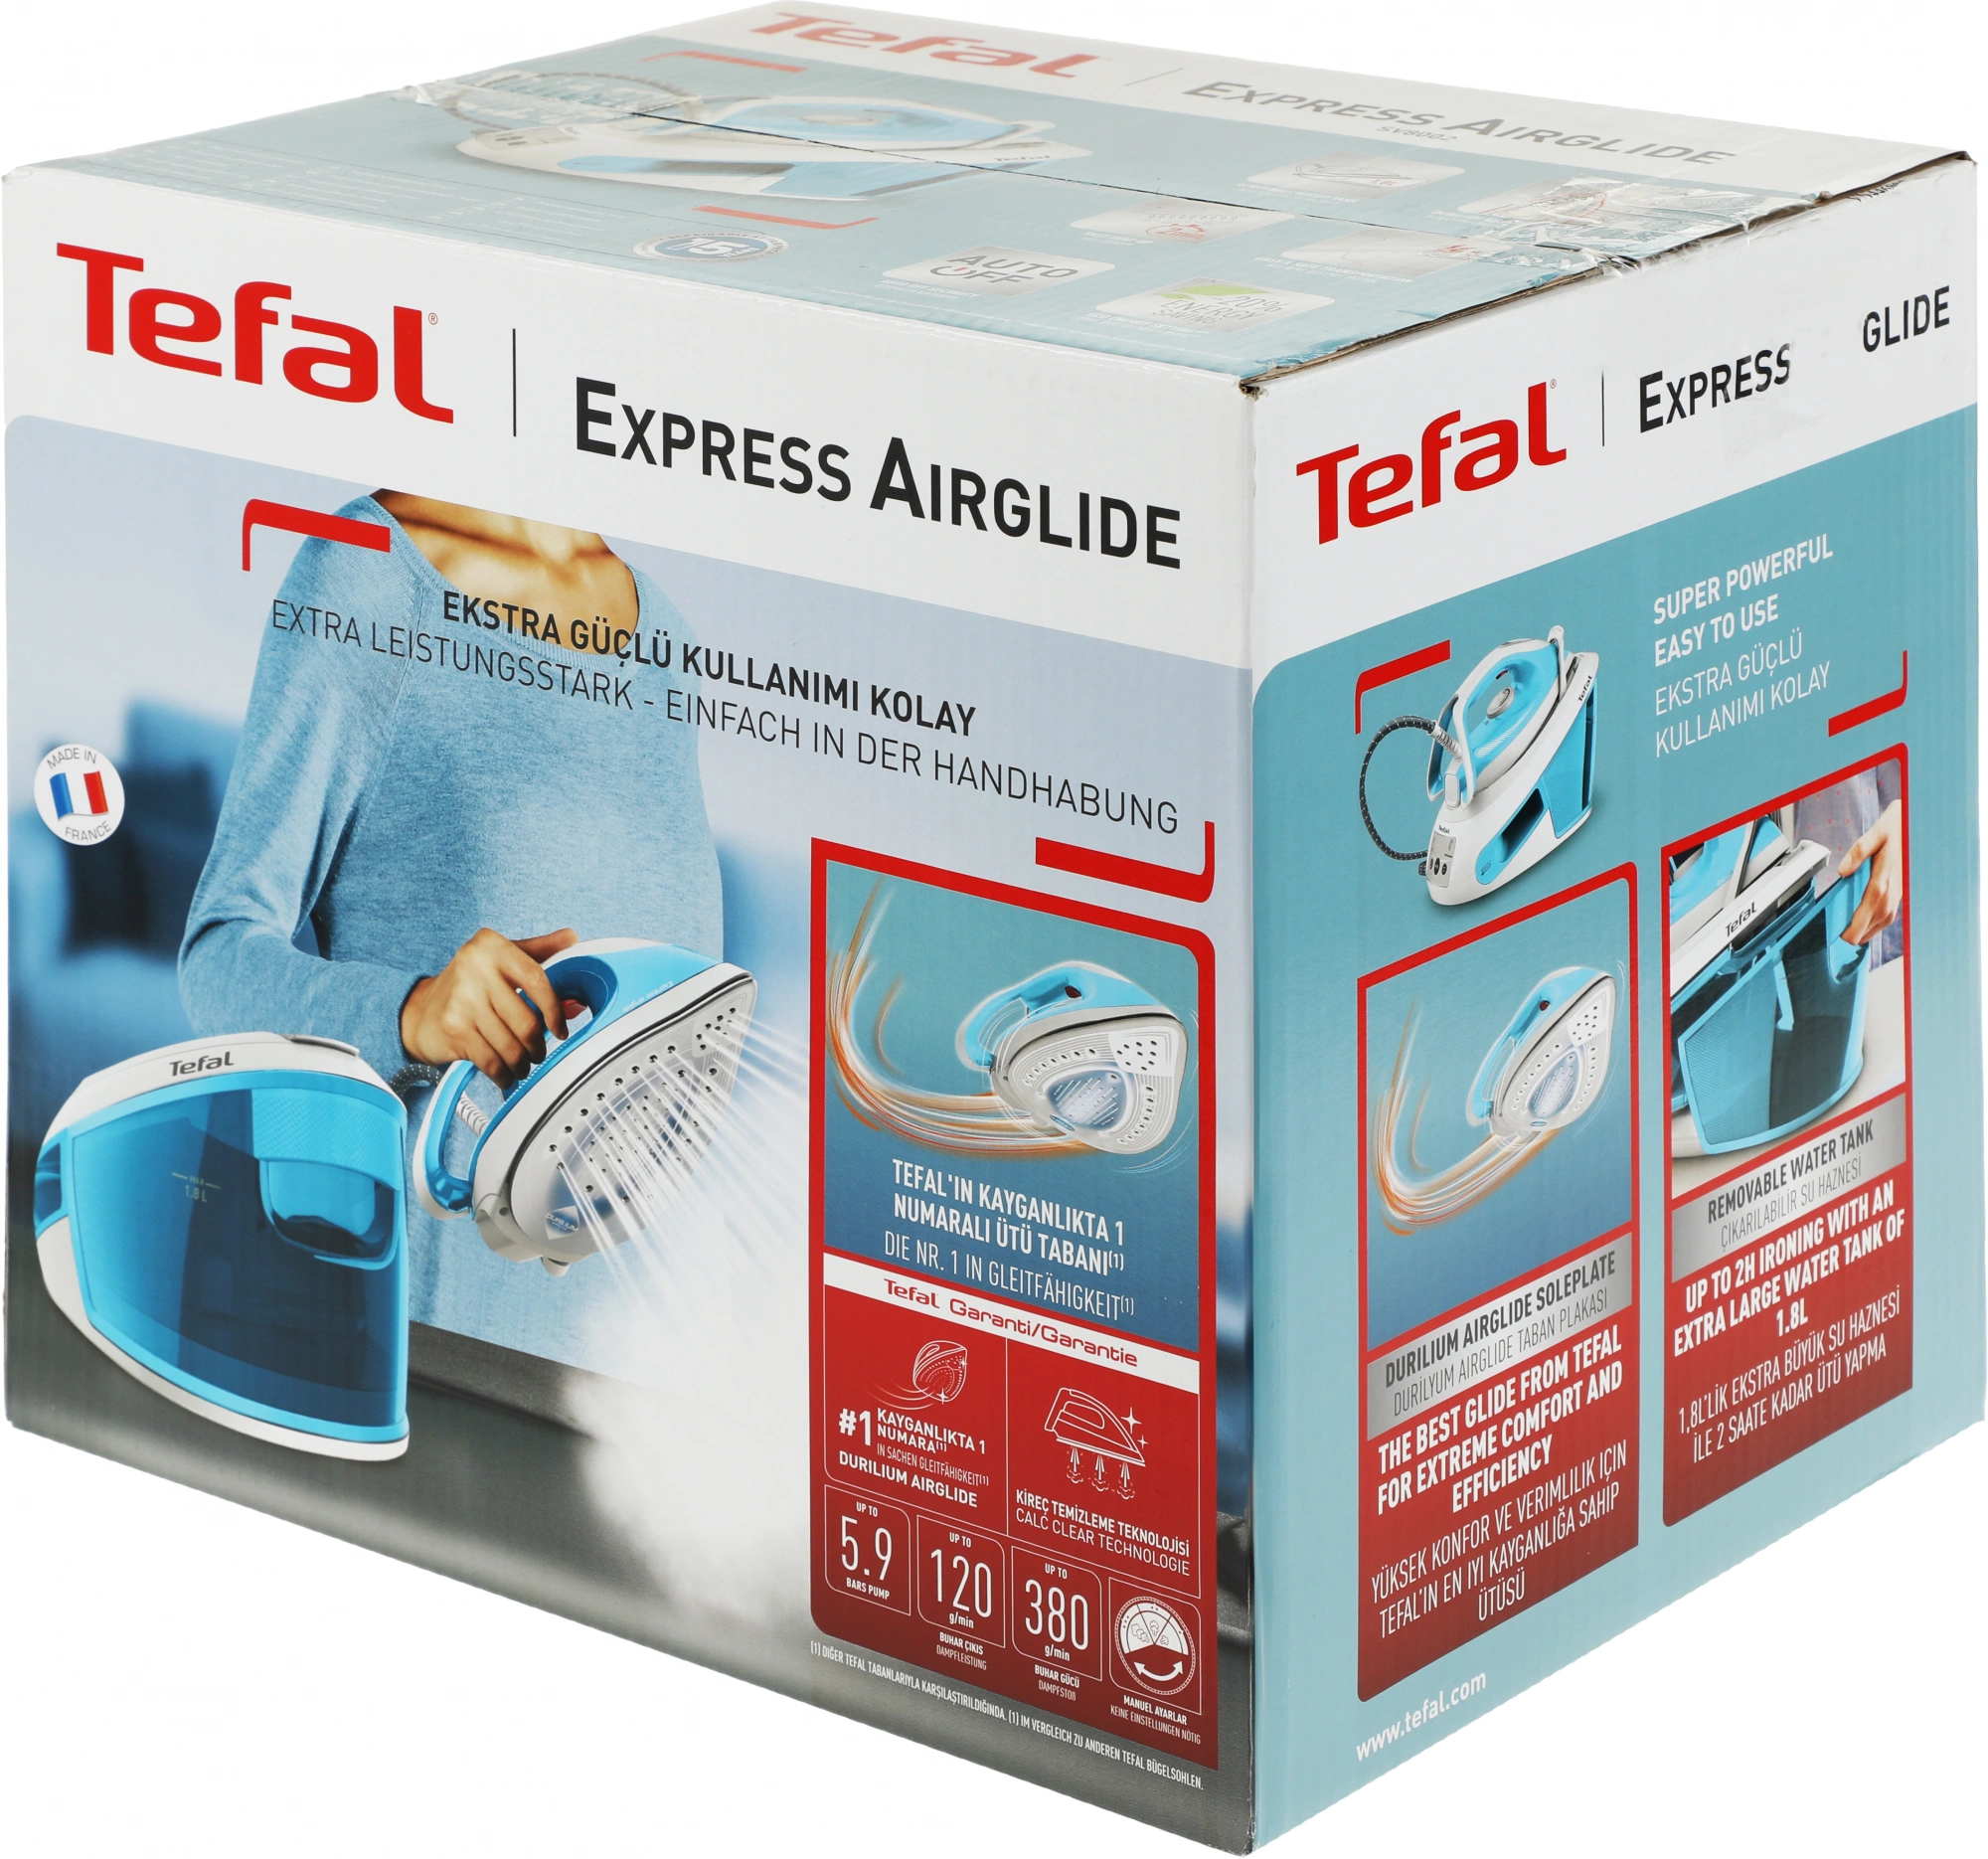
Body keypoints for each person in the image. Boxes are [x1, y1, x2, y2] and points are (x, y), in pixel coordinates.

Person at [182, 492, 723, 1367]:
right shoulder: (368, 577)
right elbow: (217, 957)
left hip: (635, 1366)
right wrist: (412, 1013)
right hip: (430, 1349)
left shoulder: (668, 641)